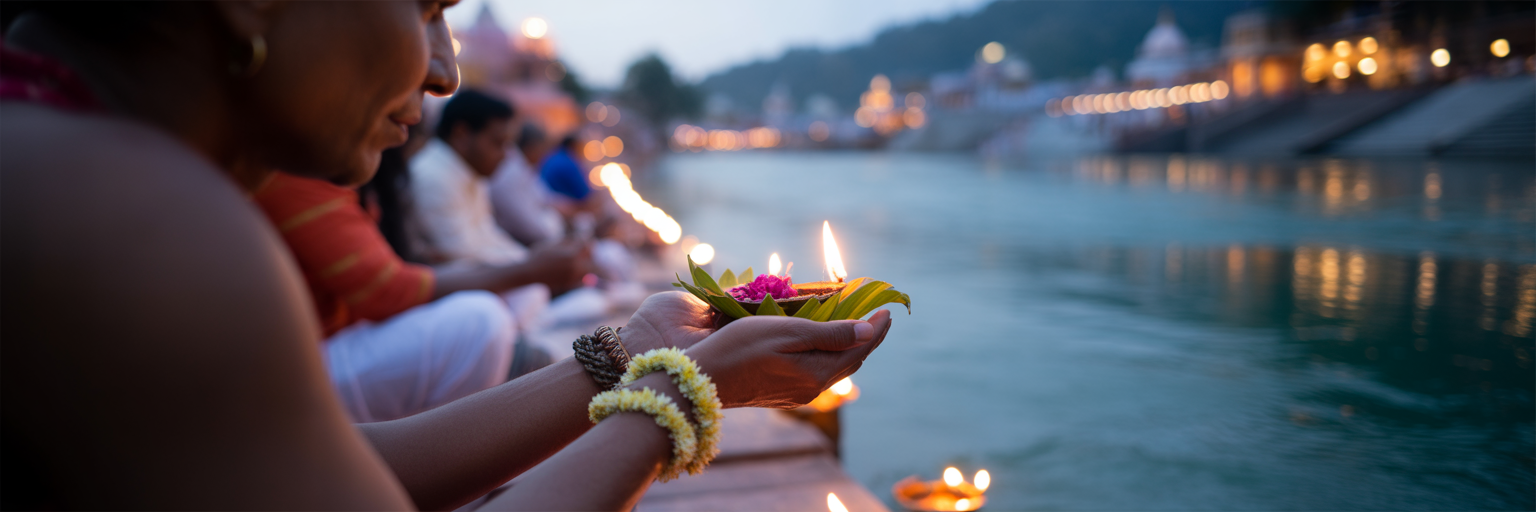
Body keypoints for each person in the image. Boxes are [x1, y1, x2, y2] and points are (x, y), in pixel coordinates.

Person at [1, 2, 893, 510]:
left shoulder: (61, 164)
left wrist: (635, 349)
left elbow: (357, 469)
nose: (444, 73)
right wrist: (683, 395)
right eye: (427, 8)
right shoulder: (128, 217)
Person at [252, 170, 585, 422]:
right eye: (497, 142)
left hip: (346, 337)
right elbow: (387, 290)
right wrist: (528, 269)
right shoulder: (292, 177)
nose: (411, 114)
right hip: (297, 374)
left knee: (516, 300)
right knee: (479, 320)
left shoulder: (470, 178)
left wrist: (527, 269)